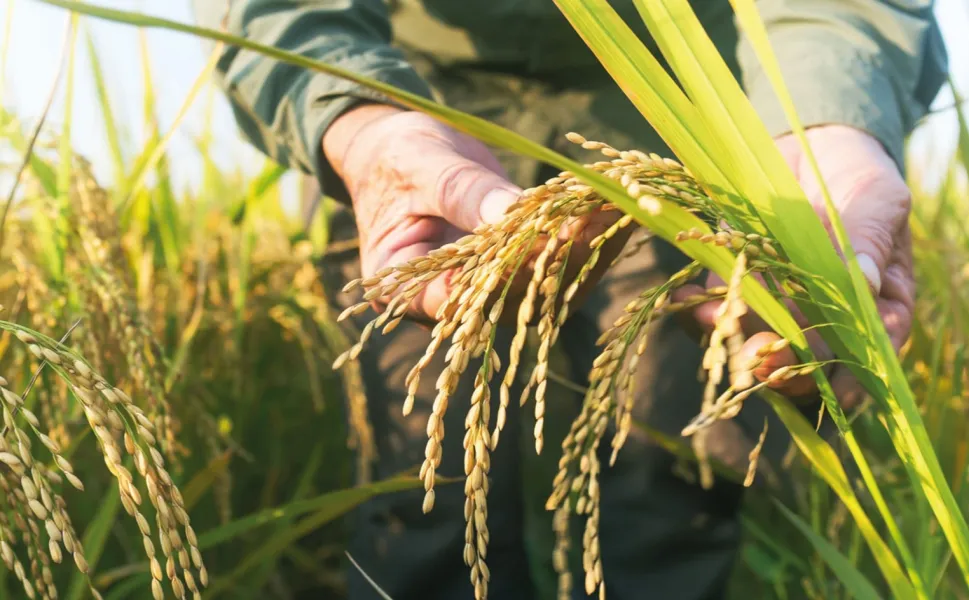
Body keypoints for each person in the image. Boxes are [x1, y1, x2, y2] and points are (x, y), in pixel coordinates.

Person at [192, 1, 947, 598]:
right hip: (411, 105)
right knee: (422, 488)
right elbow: (282, 9)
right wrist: (358, 122)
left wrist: (829, 129)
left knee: (667, 478)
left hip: (675, 113)